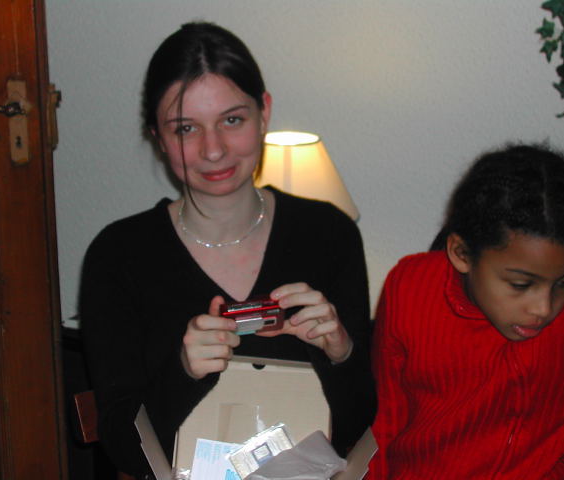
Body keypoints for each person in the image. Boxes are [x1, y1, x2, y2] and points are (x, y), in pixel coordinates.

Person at [80, 21, 375, 479]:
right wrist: (183, 372)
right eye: (186, 129)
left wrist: (342, 353)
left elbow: (358, 429)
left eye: (232, 120)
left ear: (264, 113)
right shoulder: (119, 255)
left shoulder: (329, 235)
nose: (213, 150)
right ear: (157, 135)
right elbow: (124, 451)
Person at [366, 144, 564, 479]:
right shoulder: (409, 284)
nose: (544, 308)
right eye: (520, 284)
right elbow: (387, 413)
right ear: (461, 254)